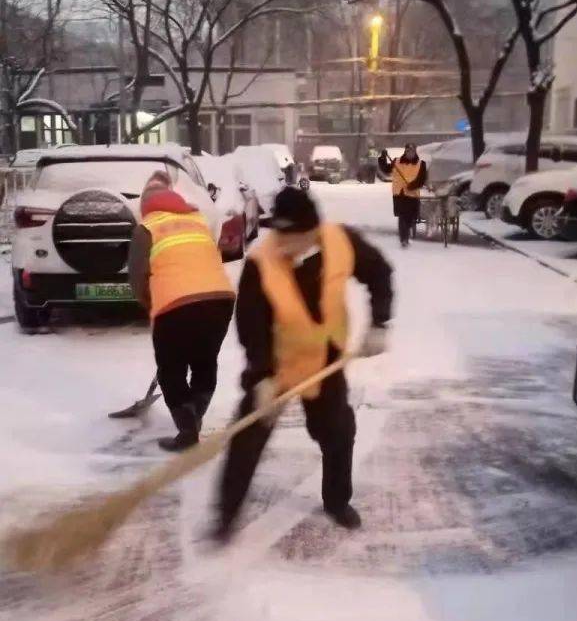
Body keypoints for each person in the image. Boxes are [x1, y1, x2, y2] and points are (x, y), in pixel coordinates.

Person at [214, 187, 393, 540]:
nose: (284, 243)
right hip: (276, 365)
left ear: (313, 230)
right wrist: (263, 376)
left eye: (293, 235)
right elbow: (252, 325)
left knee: (337, 433)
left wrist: (379, 322)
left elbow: (379, 273)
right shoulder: (260, 263)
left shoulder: (342, 242)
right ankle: (225, 517)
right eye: (279, 234)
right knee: (246, 439)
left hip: (326, 360)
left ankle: (337, 501)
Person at [129, 171, 235, 452]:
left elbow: (137, 278)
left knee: (171, 369)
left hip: (175, 305)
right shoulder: (197, 220)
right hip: (220, 299)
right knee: (204, 361)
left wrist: (152, 305)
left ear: (145, 203)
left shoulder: (146, 227)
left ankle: (187, 428)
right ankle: (195, 413)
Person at [392, 143, 427, 247]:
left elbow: (422, 179)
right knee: (402, 216)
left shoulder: (421, 164)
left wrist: (413, 185)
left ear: (415, 151)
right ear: (405, 151)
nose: (410, 153)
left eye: (412, 151)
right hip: (400, 193)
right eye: (408, 151)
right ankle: (404, 238)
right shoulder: (396, 161)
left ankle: (405, 235)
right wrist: (382, 159)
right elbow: (386, 169)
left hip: (413, 194)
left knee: (410, 218)